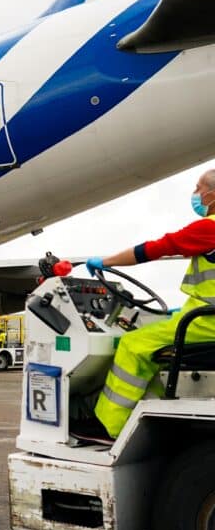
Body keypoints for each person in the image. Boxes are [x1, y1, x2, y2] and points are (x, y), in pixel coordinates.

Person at [75, 168, 215, 443]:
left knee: (132, 347)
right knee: (152, 350)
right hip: (203, 315)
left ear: (212, 195)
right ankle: (146, 420)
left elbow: (156, 248)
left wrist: (106, 262)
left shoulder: (209, 227)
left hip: (207, 322)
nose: (195, 194)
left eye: (198, 189)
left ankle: (109, 426)